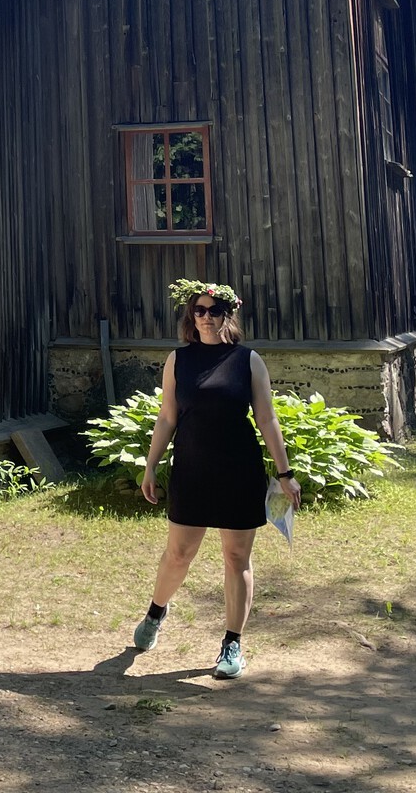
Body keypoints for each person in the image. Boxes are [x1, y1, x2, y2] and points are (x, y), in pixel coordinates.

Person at [132, 280, 301, 680]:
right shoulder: (178, 360)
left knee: (236, 557)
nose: (205, 318)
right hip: (192, 467)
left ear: (229, 315)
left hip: (238, 470)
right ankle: (156, 612)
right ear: (191, 316)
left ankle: (232, 643)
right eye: (199, 311)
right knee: (178, 554)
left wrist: (286, 473)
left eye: (214, 311)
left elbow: (267, 419)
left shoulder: (248, 360)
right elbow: (168, 416)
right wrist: (150, 464)